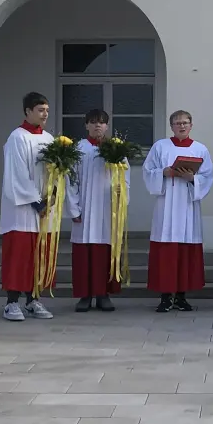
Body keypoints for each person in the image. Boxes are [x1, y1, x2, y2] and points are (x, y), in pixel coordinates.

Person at [144, 110, 213, 312]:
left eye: (185, 123)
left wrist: (193, 179)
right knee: (166, 251)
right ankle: (166, 297)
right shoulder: (160, 147)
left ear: (191, 125)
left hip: (187, 205)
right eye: (177, 123)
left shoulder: (200, 149)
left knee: (185, 251)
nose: (181, 126)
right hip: (166, 205)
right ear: (171, 126)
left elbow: (208, 176)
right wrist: (163, 173)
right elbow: (149, 172)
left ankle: (182, 296)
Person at [0, 91, 56, 321]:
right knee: (19, 256)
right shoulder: (17, 137)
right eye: (40, 110)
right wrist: (35, 201)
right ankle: (11, 303)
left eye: (47, 111)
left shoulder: (50, 139)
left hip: (45, 207)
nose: (44, 115)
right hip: (22, 209)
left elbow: (55, 170)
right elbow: (17, 174)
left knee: (39, 256)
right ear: (28, 111)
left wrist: (52, 194)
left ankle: (33, 300)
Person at [68, 108, 122, 312]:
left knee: (104, 253)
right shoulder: (79, 149)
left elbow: (124, 179)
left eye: (101, 122)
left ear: (107, 126)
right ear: (86, 125)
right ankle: (84, 295)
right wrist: (74, 209)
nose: (97, 125)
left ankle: (103, 294)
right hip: (84, 207)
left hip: (107, 210)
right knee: (84, 254)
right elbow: (70, 180)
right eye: (93, 122)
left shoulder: (116, 149)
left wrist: (120, 200)